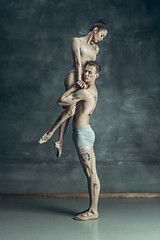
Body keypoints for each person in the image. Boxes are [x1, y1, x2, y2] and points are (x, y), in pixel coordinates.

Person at [39, 21, 108, 157]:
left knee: (73, 111)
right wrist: (78, 81)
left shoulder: (96, 49)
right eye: (102, 35)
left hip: (84, 80)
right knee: (71, 110)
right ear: (95, 29)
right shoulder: (76, 41)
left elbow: (91, 66)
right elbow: (78, 62)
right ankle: (52, 134)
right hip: (74, 77)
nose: (102, 39)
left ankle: (59, 140)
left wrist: (88, 83)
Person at [57, 61, 101, 221]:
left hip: (83, 134)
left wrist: (74, 87)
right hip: (85, 132)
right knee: (91, 172)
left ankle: (93, 211)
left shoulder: (84, 92)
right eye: (86, 71)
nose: (86, 74)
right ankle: (93, 209)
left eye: (90, 73)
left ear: (97, 75)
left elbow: (61, 101)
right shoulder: (92, 90)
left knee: (90, 173)